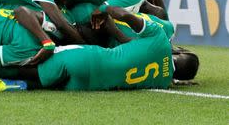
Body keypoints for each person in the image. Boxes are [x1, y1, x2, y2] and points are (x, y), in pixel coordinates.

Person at [17, 7, 199, 91]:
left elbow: (124, 14)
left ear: (180, 52)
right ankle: (9, 84)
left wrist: (105, 9)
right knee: (40, 84)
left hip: (88, 58)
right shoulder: (163, 83)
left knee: (26, 66)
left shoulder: (160, 39)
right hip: (88, 86)